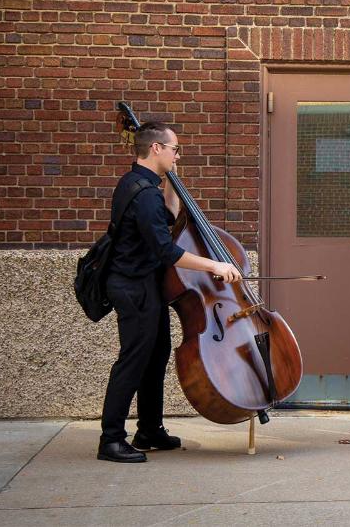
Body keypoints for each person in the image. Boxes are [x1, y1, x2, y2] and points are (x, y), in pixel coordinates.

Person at [98, 121, 242, 463]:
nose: (178, 154)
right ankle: (111, 440)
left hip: (147, 285)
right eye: (175, 148)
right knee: (133, 361)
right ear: (156, 148)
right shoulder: (141, 192)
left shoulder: (144, 185)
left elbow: (169, 217)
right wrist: (215, 266)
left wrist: (173, 182)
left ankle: (149, 429)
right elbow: (167, 251)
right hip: (134, 287)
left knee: (155, 355)